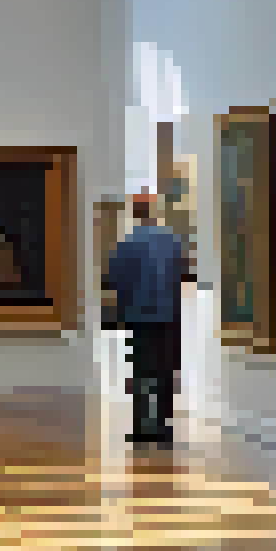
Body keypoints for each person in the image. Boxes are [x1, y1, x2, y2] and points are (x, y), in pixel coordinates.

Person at [106, 191, 189, 445]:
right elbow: (182, 274)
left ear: (135, 213)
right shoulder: (173, 241)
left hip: (139, 317)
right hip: (169, 315)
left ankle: (142, 427)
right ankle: (164, 428)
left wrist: (122, 311)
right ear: (155, 212)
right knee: (165, 371)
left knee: (141, 372)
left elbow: (115, 281)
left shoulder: (127, 243)